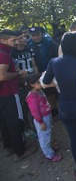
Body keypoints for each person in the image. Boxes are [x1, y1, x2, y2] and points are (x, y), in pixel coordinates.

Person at [43, 31, 76, 181]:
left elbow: (45, 82)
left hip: (66, 106)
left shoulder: (54, 62)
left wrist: (59, 82)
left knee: (75, 140)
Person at [0, 29, 36, 162]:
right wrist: (19, 74)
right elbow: (2, 75)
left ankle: (8, 147)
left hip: (2, 95)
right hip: (9, 93)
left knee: (4, 122)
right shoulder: (4, 54)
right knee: (16, 122)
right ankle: (20, 151)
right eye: (13, 40)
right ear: (3, 40)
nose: (16, 42)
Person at [25, 73, 62, 162]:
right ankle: (49, 154)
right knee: (44, 136)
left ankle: (49, 148)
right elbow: (34, 112)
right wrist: (40, 122)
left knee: (47, 133)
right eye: (38, 82)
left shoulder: (39, 91)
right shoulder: (32, 97)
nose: (41, 83)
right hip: (41, 119)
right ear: (32, 85)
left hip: (46, 116)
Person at [11, 30, 39, 138]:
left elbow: (34, 63)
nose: (25, 39)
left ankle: (37, 123)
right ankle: (28, 127)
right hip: (23, 83)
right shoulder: (13, 53)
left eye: (25, 37)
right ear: (17, 40)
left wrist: (37, 76)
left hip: (33, 79)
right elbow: (16, 69)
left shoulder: (29, 49)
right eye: (22, 37)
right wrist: (24, 79)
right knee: (26, 106)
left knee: (36, 102)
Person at [27, 26, 59, 117]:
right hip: (39, 72)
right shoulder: (29, 46)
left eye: (37, 34)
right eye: (33, 35)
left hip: (52, 70)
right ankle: (52, 109)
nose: (36, 37)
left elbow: (57, 55)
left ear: (41, 34)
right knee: (46, 91)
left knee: (54, 89)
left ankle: (55, 107)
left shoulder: (50, 43)